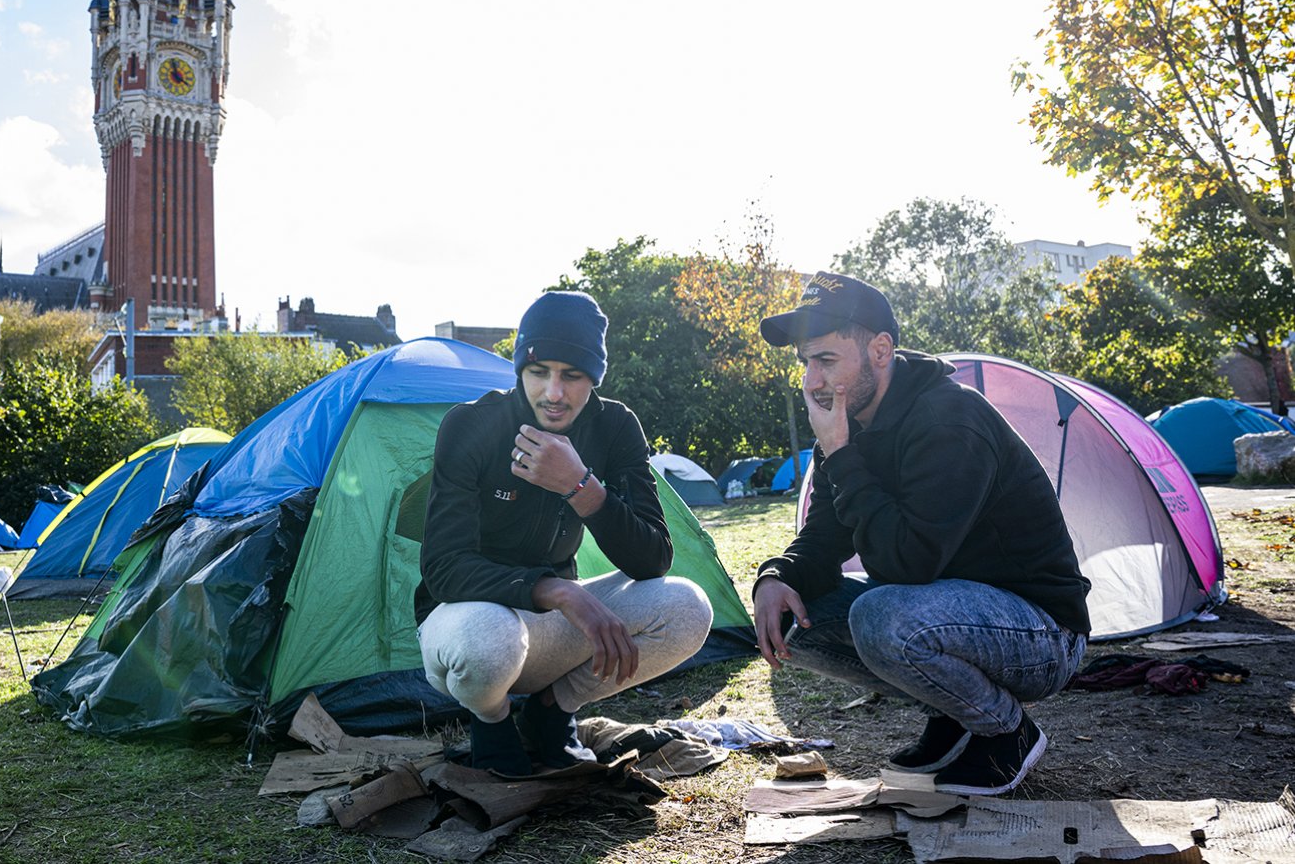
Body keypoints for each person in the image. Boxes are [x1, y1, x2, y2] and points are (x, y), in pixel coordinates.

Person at [751, 272, 1090, 795]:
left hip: (1041, 634)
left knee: (881, 614)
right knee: (799, 614)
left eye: (827, 360)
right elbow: (824, 537)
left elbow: (909, 564)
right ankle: (953, 713)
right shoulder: (848, 422)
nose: (813, 381)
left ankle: (1007, 731)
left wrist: (842, 453)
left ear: (881, 350)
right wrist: (775, 577)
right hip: (949, 615)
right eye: (806, 363)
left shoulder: (947, 419)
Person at [415, 291, 714, 775]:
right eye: (538, 372)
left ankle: (551, 712)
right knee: (490, 639)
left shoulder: (615, 426)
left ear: (593, 378)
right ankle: (491, 720)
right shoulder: (471, 425)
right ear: (519, 371)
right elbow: (443, 569)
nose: (553, 393)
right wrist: (557, 590)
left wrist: (580, 487)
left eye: (571, 375)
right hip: (466, 625)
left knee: (688, 607)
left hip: (545, 633)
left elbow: (653, 559)